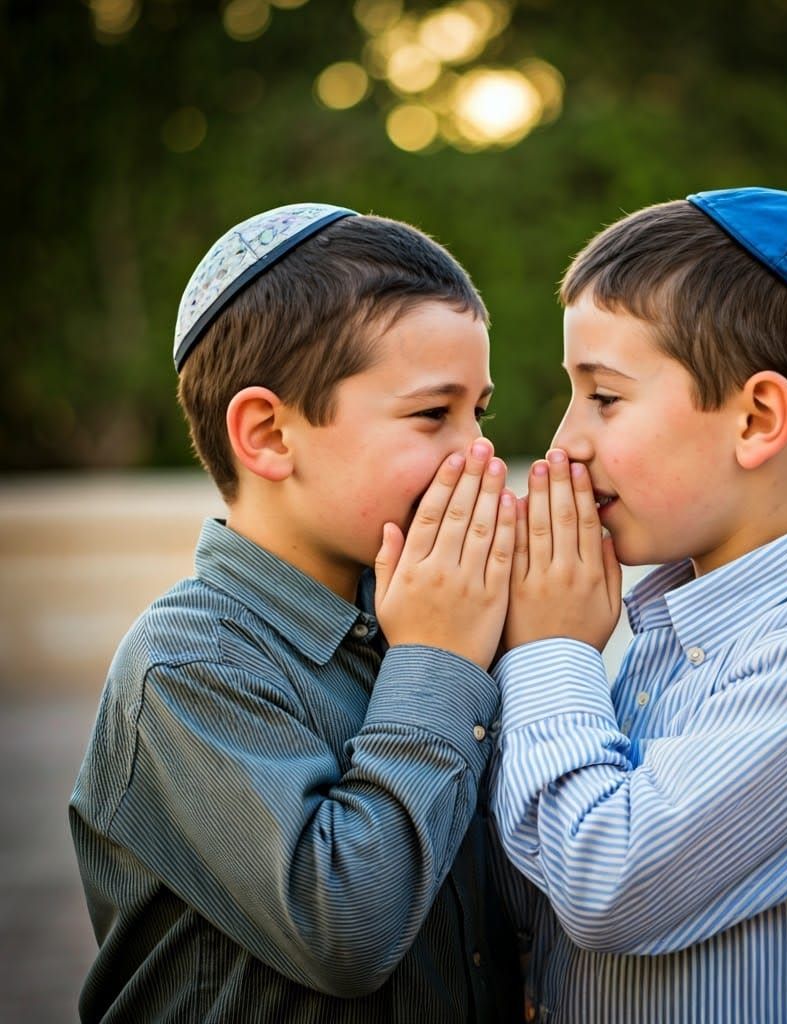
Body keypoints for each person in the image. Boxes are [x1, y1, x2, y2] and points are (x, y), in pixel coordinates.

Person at [489, 187, 787, 1023]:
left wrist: (550, 651)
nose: (566, 440)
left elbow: (608, 884)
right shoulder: (665, 633)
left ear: (756, 419)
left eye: (604, 397)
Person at [70, 203, 522, 1023]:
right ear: (270, 435)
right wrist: (440, 665)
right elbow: (343, 929)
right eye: (433, 414)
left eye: (478, 414)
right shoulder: (187, 664)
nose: (478, 452)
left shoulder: (424, 614)